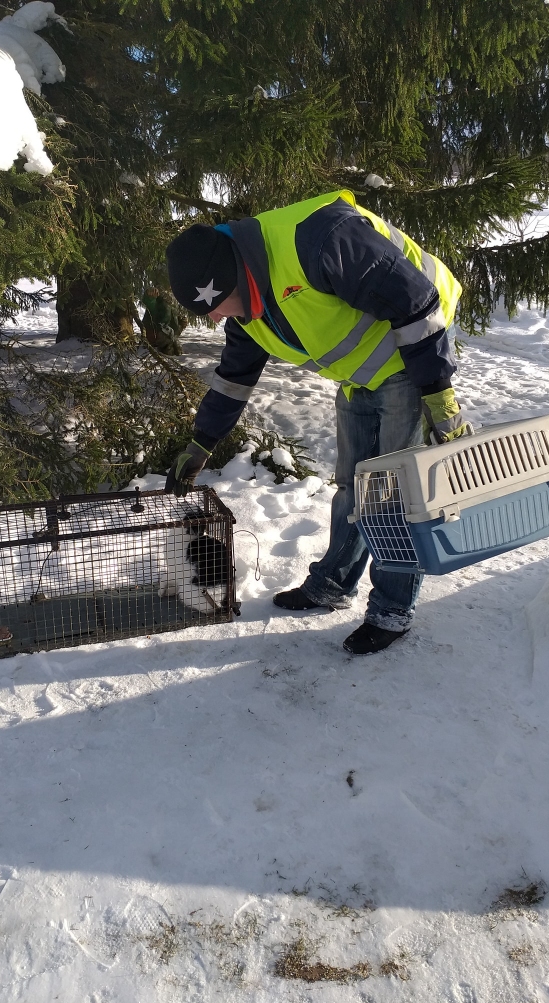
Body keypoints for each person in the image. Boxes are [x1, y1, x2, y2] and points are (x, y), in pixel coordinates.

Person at [163, 189, 470, 655]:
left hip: (414, 355)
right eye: (213, 312)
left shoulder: (321, 239)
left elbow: (416, 302)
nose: (223, 316)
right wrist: (201, 442)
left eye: (222, 302)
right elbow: (234, 378)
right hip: (361, 374)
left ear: (239, 271)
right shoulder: (244, 309)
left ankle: (391, 609)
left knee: (393, 491)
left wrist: (438, 392)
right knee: (352, 485)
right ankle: (333, 583)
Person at [141, 285, 186, 355]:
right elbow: (149, 302)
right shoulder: (158, 303)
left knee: (177, 349)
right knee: (170, 349)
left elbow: (175, 328)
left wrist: (182, 325)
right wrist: (149, 294)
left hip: (168, 338)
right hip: (155, 337)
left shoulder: (173, 307)